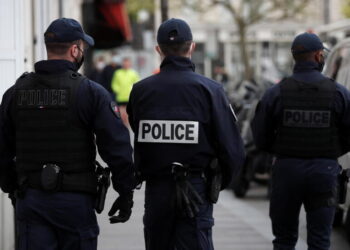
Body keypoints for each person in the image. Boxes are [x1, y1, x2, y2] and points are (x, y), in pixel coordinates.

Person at [0, 18, 135, 250]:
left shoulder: (15, 93)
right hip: (75, 202)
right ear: (75, 50)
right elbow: (117, 148)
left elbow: (2, 149)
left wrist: (13, 187)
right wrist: (125, 193)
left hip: (31, 200)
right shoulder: (90, 93)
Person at [127, 18, 245, 250]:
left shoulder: (141, 91)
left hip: (157, 189)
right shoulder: (211, 90)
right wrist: (219, 183)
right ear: (192, 47)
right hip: (196, 186)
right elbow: (232, 148)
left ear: (158, 49)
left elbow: (136, 127)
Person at [251, 32, 350, 250]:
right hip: (324, 170)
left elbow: (259, 136)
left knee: (284, 240)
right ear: (317, 56)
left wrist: (282, 151)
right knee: (320, 240)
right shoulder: (339, 93)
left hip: (287, 170)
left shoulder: (275, 93)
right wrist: (331, 150)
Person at [111, 57, 140, 126]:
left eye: (127, 63)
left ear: (130, 64)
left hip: (130, 95)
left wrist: (133, 91)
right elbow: (114, 84)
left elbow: (137, 83)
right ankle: (123, 123)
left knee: (128, 111)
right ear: (122, 64)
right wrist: (117, 90)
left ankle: (127, 123)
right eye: (125, 63)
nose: (126, 64)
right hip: (120, 96)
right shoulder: (118, 73)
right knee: (121, 110)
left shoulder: (133, 73)